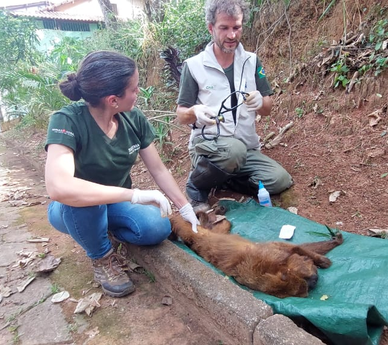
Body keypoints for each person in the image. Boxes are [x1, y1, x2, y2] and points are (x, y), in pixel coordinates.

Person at [45, 51, 200, 298]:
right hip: (72, 208)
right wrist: (135, 195)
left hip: (114, 204)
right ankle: (101, 257)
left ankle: (101, 229)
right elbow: (59, 187)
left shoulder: (133, 118)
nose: (139, 93)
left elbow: (158, 169)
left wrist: (184, 206)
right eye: (134, 89)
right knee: (86, 198)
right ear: (113, 100)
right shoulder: (67, 120)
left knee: (156, 227)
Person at [175, 0, 292, 212]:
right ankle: (197, 186)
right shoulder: (194, 66)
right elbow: (181, 115)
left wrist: (260, 101)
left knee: (279, 180)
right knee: (233, 152)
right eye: (224, 28)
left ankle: (222, 179)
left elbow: (267, 108)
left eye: (236, 27)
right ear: (211, 28)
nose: (231, 35)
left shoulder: (251, 61)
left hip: (245, 148)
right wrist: (195, 112)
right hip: (209, 148)